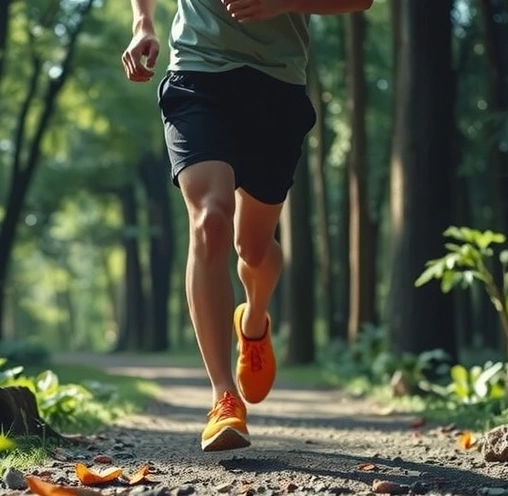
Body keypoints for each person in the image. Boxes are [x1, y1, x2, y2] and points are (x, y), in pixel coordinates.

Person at [121, 0, 372, 452]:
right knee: (211, 220)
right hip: (197, 73)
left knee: (254, 249)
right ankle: (224, 397)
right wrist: (143, 23)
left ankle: (253, 321)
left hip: (276, 86)